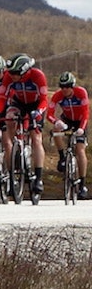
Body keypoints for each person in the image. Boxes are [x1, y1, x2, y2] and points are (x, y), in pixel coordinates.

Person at [0, 53, 48, 201]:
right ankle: (17, 146)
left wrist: (38, 112)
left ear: (25, 71)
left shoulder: (37, 76)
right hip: (19, 103)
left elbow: (44, 100)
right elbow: (2, 98)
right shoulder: (8, 76)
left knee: (36, 138)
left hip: (36, 105)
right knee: (10, 119)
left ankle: (38, 178)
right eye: (11, 73)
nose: (12, 76)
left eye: (15, 73)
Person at [49, 71, 89, 200]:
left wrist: (81, 129)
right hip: (66, 119)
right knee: (55, 129)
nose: (64, 89)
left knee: (79, 149)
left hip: (80, 121)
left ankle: (82, 184)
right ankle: (62, 157)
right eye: (62, 86)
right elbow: (49, 113)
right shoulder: (57, 95)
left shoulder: (81, 93)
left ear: (73, 86)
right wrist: (57, 122)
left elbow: (85, 113)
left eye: (67, 86)